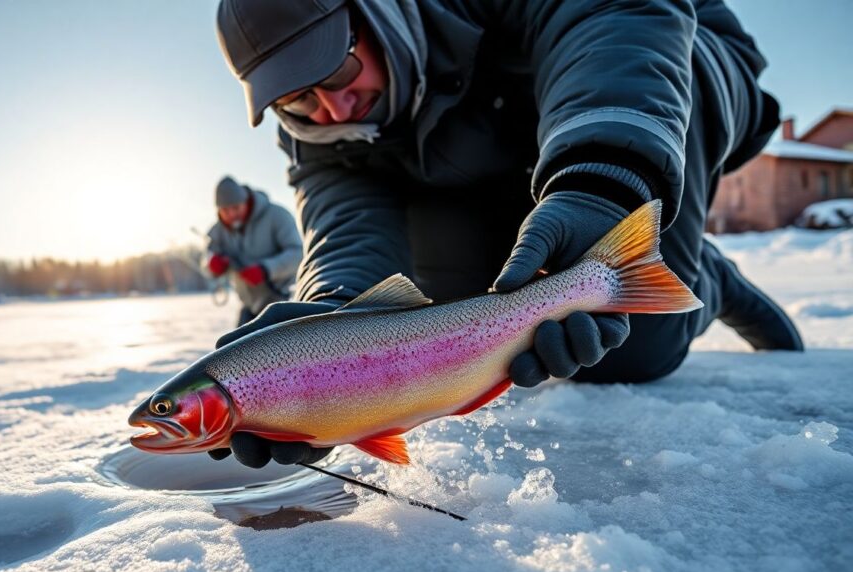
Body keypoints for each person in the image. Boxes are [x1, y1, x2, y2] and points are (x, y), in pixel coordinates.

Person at [207, 0, 804, 469]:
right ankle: (628, 248)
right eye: (298, 101)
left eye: (335, 69)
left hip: (661, 50)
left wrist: (599, 183)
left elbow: (611, 15)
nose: (334, 110)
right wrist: (330, 330)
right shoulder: (316, 132)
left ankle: (701, 273)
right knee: (477, 307)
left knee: (633, 342)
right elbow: (349, 226)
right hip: (488, 145)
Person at [205, 176, 303, 326]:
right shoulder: (217, 231)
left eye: (236, 208)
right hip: (249, 307)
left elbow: (298, 254)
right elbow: (206, 258)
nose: (231, 214)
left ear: (246, 201)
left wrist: (266, 269)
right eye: (225, 210)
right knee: (234, 348)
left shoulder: (277, 216)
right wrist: (212, 265)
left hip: (283, 304)